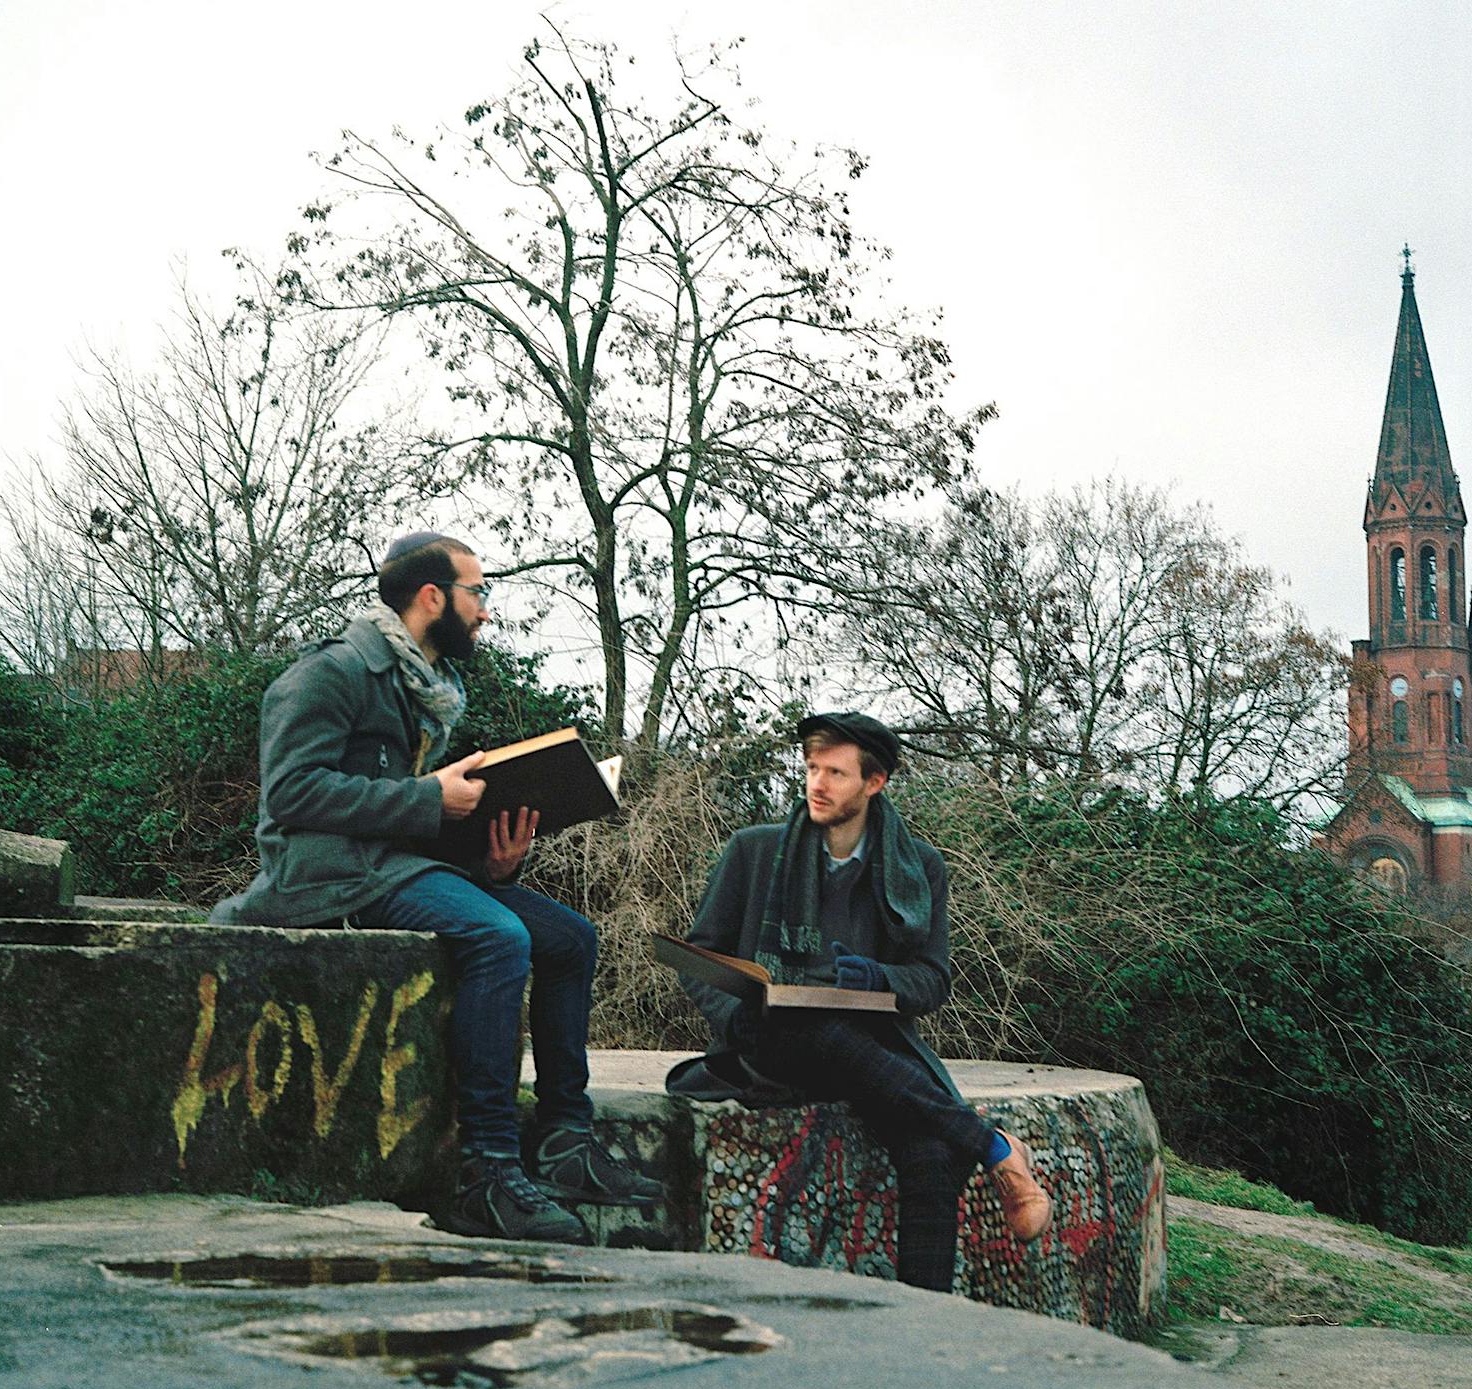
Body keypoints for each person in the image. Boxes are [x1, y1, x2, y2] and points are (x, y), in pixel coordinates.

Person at [219, 530, 660, 1242]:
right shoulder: (330, 674)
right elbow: (292, 794)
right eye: (477, 593)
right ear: (433, 598)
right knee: (497, 935)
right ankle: (487, 1169)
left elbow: (411, 811)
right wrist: (429, 800)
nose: (484, 611)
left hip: (397, 864)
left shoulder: (424, 686)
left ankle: (564, 1143)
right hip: (330, 879)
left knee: (571, 938)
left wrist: (494, 859)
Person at [666, 711, 1052, 1293]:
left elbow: (932, 981)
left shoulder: (918, 867)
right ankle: (994, 1148)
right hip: (771, 1046)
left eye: (836, 773)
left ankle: (922, 1331)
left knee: (931, 1158)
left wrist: (876, 978)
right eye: (812, 768)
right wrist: (735, 1017)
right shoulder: (754, 851)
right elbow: (698, 957)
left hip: (873, 1056)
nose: (816, 784)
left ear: (875, 783)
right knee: (808, 1029)